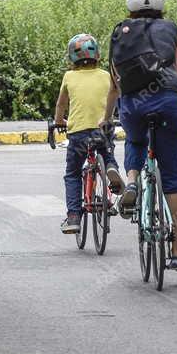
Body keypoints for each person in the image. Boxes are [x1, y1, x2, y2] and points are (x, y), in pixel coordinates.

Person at [101, 0, 177, 272]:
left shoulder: (120, 31)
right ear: (162, 6)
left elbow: (115, 80)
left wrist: (107, 116)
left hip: (134, 104)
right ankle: (176, 250)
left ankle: (131, 181)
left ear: (130, 8)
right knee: (172, 177)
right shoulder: (172, 28)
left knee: (136, 141)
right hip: (169, 101)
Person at [54, 34, 123, 235]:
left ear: (72, 58)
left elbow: (61, 104)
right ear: (97, 55)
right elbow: (115, 94)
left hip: (78, 132)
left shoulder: (69, 77)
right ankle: (111, 169)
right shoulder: (105, 75)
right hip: (103, 128)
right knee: (107, 153)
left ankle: (74, 216)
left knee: (73, 173)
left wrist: (59, 121)